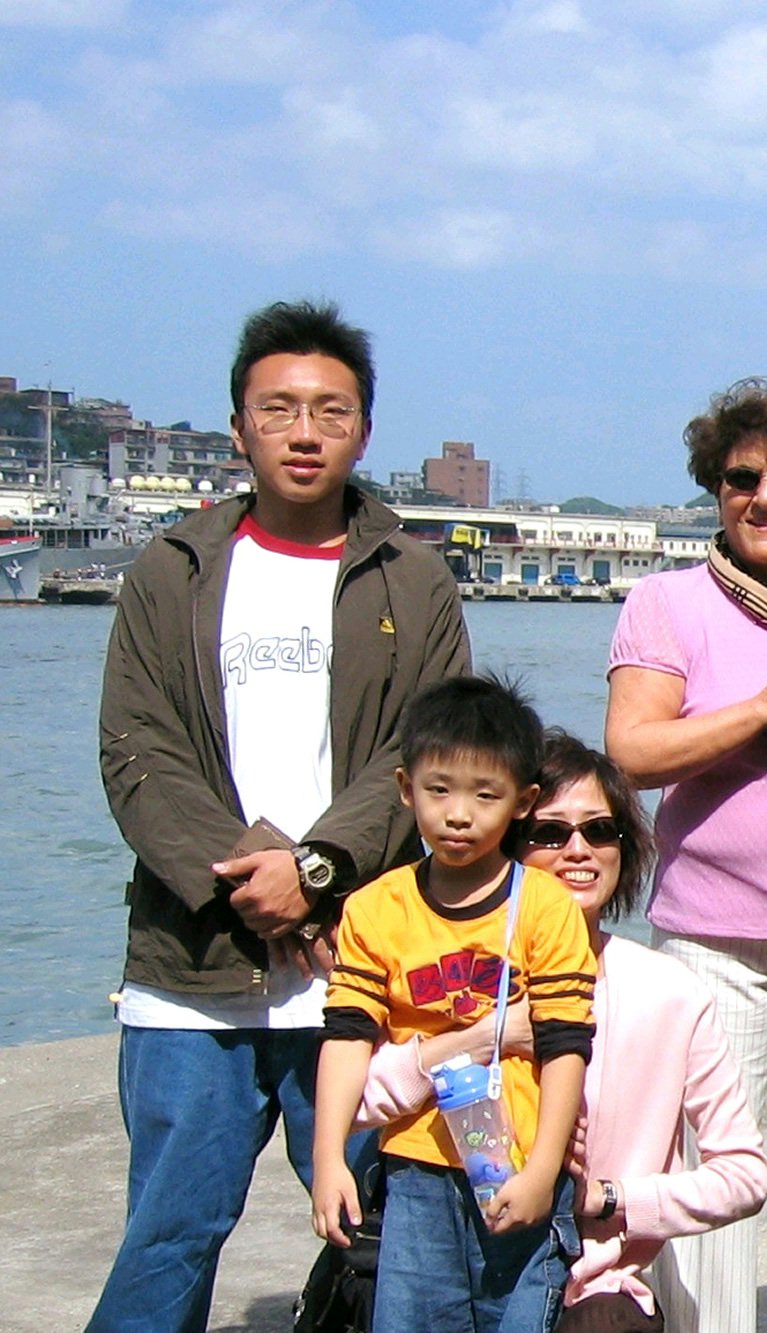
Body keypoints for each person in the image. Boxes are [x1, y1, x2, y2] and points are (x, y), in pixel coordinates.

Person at [92, 300, 470, 1333]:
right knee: (170, 1229)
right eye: (281, 410)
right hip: (191, 972)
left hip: (360, 961)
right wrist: (254, 879)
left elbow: (427, 753)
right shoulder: (170, 570)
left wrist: (311, 869)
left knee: (393, 1230)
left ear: (363, 431)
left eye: (330, 412)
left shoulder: (415, 578)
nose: (305, 432)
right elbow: (138, 753)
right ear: (240, 428)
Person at [603, 377, 767, 1333]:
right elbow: (633, 750)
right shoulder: (668, 601)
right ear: (714, 487)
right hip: (708, 938)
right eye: (741, 476)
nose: (766, 497)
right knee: (709, 1184)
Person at [360, 733, 767, 1330]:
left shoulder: (669, 991)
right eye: (549, 834)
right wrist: (483, 1037)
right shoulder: (454, 971)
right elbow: (360, 1098)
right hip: (450, 1253)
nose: (578, 850)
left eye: (600, 831)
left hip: (588, 1279)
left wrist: (611, 1199)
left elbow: (744, 1174)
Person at [310, 676, 597, 1331]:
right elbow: (347, 1033)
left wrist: (545, 1168)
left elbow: (565, 1045)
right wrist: (328, 1158)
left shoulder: (546, 907)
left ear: (523, 802)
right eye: (439, 790)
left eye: (485, 794)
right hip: (414, 1172)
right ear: (406, 787)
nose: (459, 813)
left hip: (517, 1167)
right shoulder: (375, 908)